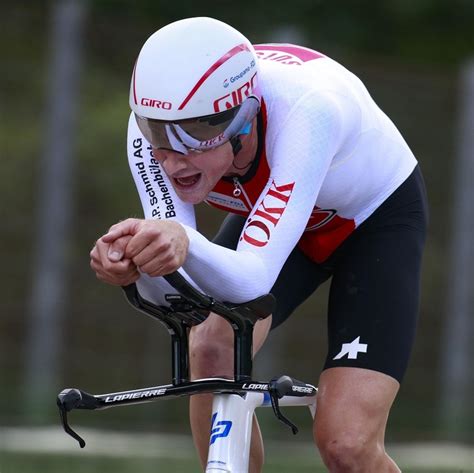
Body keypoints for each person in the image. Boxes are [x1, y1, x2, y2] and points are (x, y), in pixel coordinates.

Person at [90, 16, 428, 473]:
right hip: (281, 213)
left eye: (193, 133)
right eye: (157, 133)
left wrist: (178, 241)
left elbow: (250, 280)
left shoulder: (308, 111)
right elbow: (180, 286)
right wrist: (135, 264)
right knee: (210, 347)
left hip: (372, 220)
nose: (171, 159)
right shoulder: (151, 134)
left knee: (346, 445)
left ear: (244, 119)